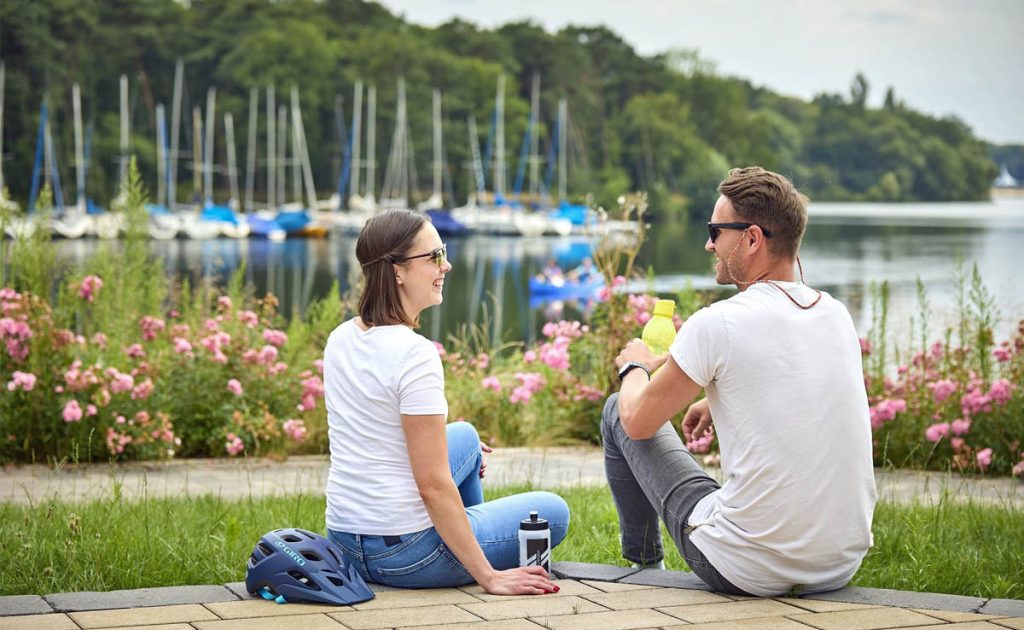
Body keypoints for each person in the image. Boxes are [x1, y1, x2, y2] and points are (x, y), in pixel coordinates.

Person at [603, 167, 876, 597]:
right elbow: (795, 377)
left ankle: (644, 565)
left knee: (617, 410)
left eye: (715, 231)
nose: (709, 244)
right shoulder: (835, 314)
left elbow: (637, 422)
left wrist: (634, 367)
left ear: (751, 239)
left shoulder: (719, 323)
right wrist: (716, 399)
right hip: (837, 566)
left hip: (745, 568)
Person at [324, 209, 570, 595]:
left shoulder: (340, 337)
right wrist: (489, 577)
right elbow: (433, 485)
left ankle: (464, 532)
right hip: (407, 556)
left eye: (444, 252)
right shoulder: (414, 353)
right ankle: (471, 554)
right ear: (397, 271)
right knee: (554, 511)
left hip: (345, 544)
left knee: (466, 436)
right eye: (435, 256)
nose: (447, 265)